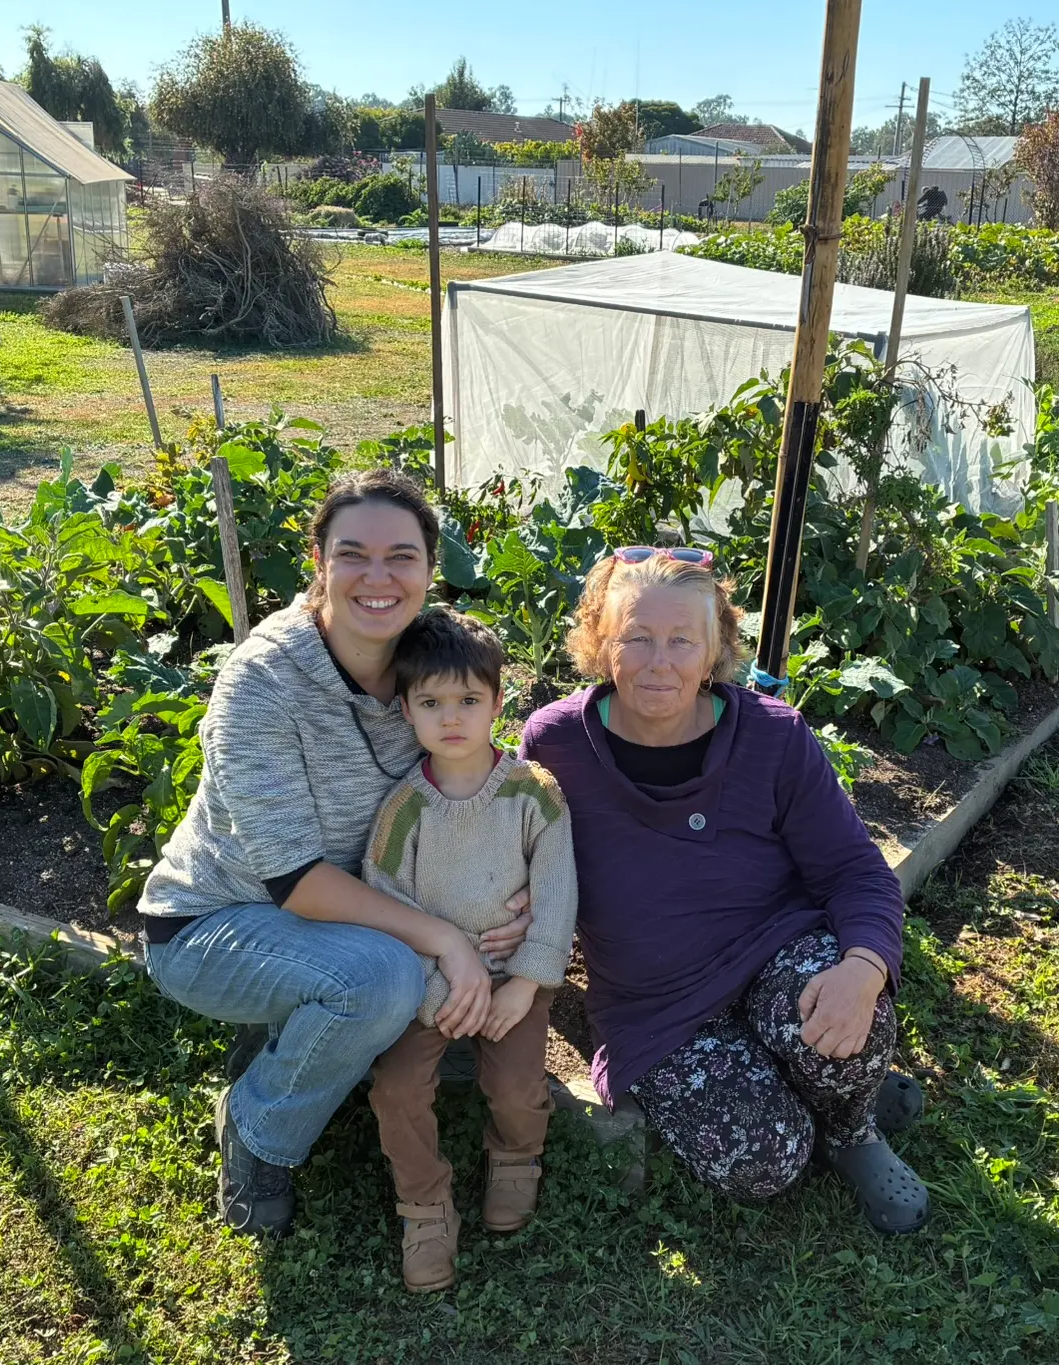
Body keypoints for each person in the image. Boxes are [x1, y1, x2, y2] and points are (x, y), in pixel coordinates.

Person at [137, 469, 536, 1239]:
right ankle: (256, 1131)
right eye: (354, 554)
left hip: (339, 914)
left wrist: (504, 892)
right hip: (214, 920)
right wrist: (447, 936)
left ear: (430, 565)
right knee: (383, 978)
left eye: (403, 556)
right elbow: (294, 881)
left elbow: (471, 772)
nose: (379, 579)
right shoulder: (262, 682)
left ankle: (295, 1025)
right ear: (318, 559)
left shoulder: (427, 662)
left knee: (404, 964)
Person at [520, 547, 930, 1235]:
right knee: (766, 1159)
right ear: (599, 642)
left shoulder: (772, 736)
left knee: (852, 1028)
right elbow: (520, 857)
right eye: (636, 636)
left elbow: (856, 871)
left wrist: (863, 967)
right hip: (658, 1007)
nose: (660, 660)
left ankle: (853, 1126)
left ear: (715, 648)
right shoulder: (555, 741)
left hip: (777, 953)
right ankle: (820, 1093)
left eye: (683, 640)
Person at [361, 608, 579, 1293]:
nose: (450, 718)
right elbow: (387, 905)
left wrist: (524, 982)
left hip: (515, 972)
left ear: (498, 702)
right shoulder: (404, 811)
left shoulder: (534, 794)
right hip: (433, 984)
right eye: (430, 702)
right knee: (396, 1089)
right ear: (406, 709)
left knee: (517, 1084)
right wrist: (435, 990)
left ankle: (516, 1156)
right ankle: (424, 1203)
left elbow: (557, 891)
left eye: (468, 700)